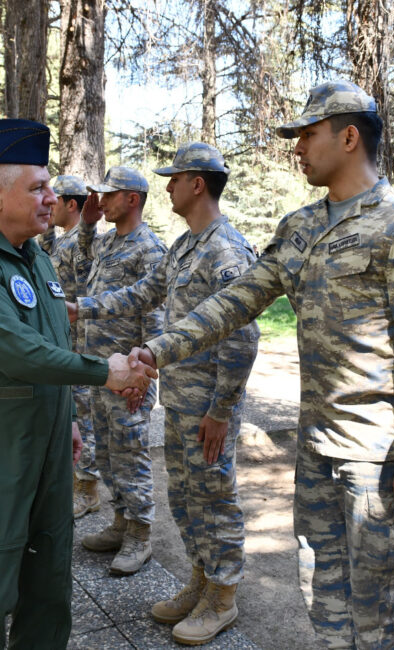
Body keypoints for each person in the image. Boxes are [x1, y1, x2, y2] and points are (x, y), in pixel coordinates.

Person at [134, 80, 394, 648]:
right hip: (317, 449)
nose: (297, 147)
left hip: (375, 458)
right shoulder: (301, 227)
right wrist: (155, 351)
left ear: (350, 136)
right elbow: (233, 304)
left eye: (308, 134)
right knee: (321, 591)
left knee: (380, 601)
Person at [0, 118, 158, 649]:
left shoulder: (37, 259)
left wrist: (68, 418)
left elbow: (54, 341)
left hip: (47, 441)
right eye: (39, 188)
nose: (55, 198)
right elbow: (18, 352)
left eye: (50, 187)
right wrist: (107, 374)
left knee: (50, 585)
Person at [70, 142, 259, 645]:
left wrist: (222, 410)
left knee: (214, 497)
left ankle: (223, 597)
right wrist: (80, 309)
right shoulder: (184, 246)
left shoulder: (226, 250)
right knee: (185, 495)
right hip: (180, 398)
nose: (168, 187)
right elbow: (140, 295)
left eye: (175, 179)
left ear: (198, 184)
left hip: (208, 405)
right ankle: (200, 579)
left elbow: (243, 336)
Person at [77, 166, 167, 577]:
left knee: (131, 458)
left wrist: (143, 377)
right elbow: (80, 265)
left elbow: (156, 318)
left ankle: (140, 536)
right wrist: (87, 225)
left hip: (128, 376)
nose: (102, 201)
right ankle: (120, 521)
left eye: (110, 195)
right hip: (100, 372)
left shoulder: (149, 250)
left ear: (133, 199)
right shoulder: (109, 242)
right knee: (109, 457)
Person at [41, 174, 100, 519]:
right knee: (74, 414)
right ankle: (78, 483)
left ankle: (87, 490)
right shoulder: (64, 241)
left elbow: (81, 285)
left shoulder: (84, 243)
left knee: (85, 418)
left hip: (79, 340)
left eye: (55, 199)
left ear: (72, 205)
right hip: (64, 340)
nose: (49, 204)